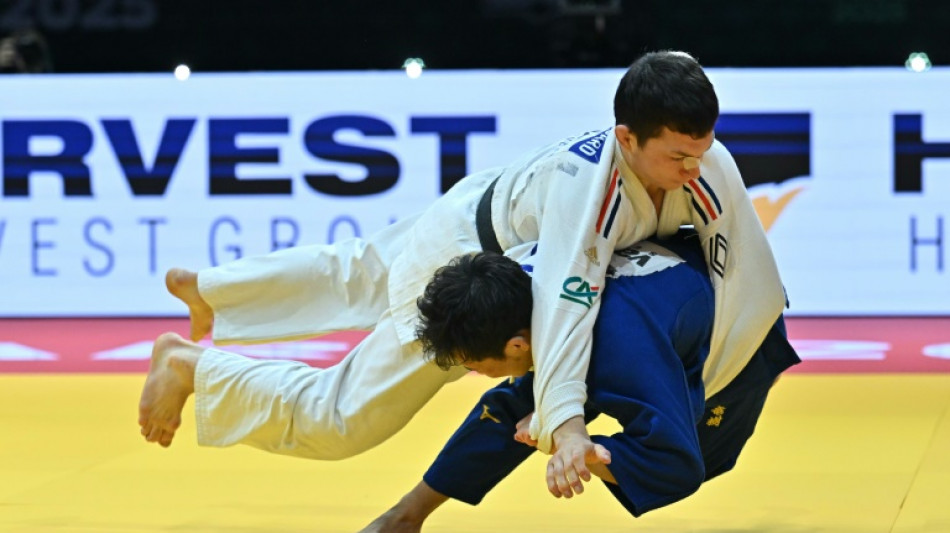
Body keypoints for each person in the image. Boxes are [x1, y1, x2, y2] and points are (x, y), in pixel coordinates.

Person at [139, 50, 788, 497]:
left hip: (470, 215)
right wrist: (565, 426)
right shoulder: (591, 192)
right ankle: (191, 366)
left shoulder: (701, 162)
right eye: (677, 156)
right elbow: (568, 305)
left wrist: (710, 383)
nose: (694, 168)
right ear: (626, 137)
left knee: (359, 274)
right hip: (462, 269)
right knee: (342, 416)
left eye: (701, 151)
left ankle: (212, 290)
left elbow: (751, 281)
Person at [358, 232, 800, 532]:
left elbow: (676, 466)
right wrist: (410, 511)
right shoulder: (518, 275)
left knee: (702, 453)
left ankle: (760, 370)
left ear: (515, 345)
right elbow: (506, 411)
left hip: (741, 325)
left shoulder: (620, 354)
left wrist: (583, 450)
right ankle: (404, 517)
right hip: (664, 282)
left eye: (475, 363)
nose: (474, 372)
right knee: (519, 405)